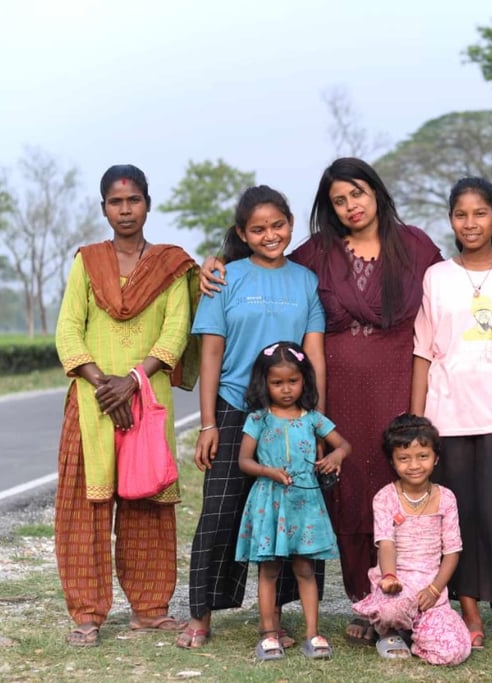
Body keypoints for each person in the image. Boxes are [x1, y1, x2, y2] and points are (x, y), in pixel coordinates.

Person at [198, 158, 492, 644]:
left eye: (357, 193)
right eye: (338, 200)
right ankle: (367, 600)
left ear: (376, 192)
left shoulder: (415, 245)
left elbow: (466, 267)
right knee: (347, 488)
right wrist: (214, 263)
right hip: (339, 390)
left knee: (399, 481)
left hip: (399, 382)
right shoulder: (317, 252)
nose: (350, 206)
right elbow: (266, 257)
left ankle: (415, 594)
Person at [54, 164, 198, 647]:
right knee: (85, 509)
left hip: (148, 402)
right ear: (103, 209)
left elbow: (175, 331)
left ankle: (150, 609)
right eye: (116, 202)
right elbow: (69, 328)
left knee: (150, 507)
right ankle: (88, 614)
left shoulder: (171, 265)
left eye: (133, 200)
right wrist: (102, 383)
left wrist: (134, 382)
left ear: (147, 204)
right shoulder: (87, 261)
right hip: (91, 405)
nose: (125, 210)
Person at [179, 186, 326, 650]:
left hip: (291, 415)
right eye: (258, 229)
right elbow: (211, 353)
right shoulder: (225, 278)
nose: (270, 235)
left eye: (278, 225)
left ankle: (279, 617)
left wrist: (315, 423)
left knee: (291, 512)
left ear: (291, 223)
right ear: (243, 233)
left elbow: (315, 353)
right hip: (233, 407)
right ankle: (201, 615)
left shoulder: (305, 279)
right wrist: (207, 424)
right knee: (220, 513)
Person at [410, 177, 492, 654]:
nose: (470, 223)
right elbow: (423, 351)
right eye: (461, 214)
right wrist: (417, 421)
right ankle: (467, 610)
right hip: (447, 416)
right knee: (458, 518)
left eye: (480, 213)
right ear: (451, 219)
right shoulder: (436, 276)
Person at [235, 341, 350, 660]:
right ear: (264, 383)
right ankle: (268, 633)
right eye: (277, 383)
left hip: (305, 504)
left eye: (293, 381)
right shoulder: (259, 418)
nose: (286, 390)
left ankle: (313, 633)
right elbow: (244, 461)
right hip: (270, 502)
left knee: (305, 568)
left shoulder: (313, 418)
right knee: (268, 569)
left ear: (304, 380)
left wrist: (336, 456)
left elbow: (343, 445)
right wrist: (268, 471)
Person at [351, 414, 472, 666]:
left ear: (436, 458)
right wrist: (390, 577)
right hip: (396, 584)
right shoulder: (385, 497)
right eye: (404, 459)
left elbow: (452, 551)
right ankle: (389, 631)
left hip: (431, 590)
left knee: (454, 652)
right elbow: (386, 543)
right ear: (393, 462)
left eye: (423, 456)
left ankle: (419, 631)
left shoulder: (446, 498)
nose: (414, 465)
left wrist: (434, 589)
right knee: (390, 610)